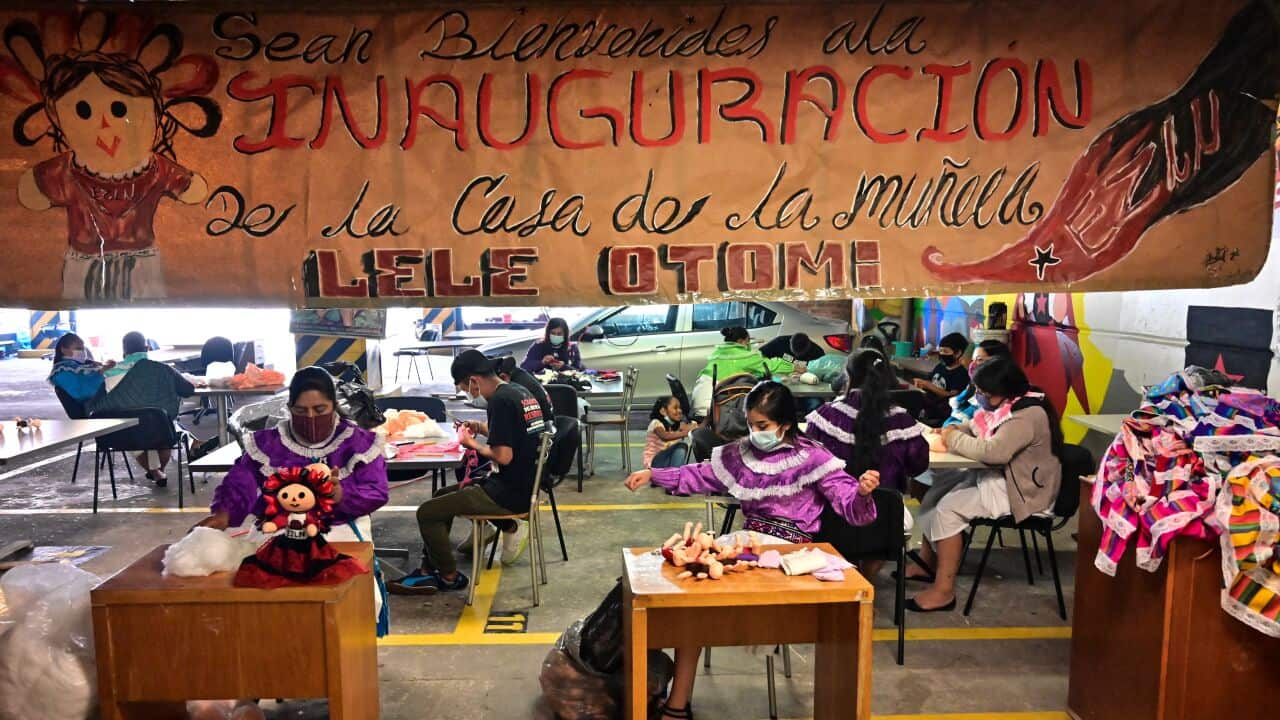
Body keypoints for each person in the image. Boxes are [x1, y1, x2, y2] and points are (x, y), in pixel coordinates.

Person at [624, 381, 879, 720]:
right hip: (746, 543)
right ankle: (676, 702)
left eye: (762, 426)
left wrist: (862, 493)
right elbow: (700, 474)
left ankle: (677, 701)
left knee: (703, 594)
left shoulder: (814, 457)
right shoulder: (741, 453)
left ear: (784, 424)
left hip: (791, 554)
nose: (755, 433)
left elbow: (851, 506)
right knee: (690, 601)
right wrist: (654, 474)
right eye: (750, 425)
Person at [905, 357, 1063, 612]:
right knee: (936, 491)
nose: (978, 396)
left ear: (1003, 391)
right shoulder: (1002, 406)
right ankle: (928, 562)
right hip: (1000, 477)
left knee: (948, 509)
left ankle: (944, 591)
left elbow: (993, 453)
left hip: (1021, 491)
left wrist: (952, 437)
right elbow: (973, 425)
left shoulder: (1026, 415)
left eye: (983, 392)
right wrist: (951, 430)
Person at [390, 350, 548, 595]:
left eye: (466, 388)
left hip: (507, 492)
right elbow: (512, 435)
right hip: (523, 484)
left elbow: (503, 456)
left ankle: (448, 576)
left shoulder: (499, 400)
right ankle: (428, 568)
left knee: (427, 512)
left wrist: (470, 443)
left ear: (474, 380)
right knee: (440, 496)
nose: (469, 394)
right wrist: (479, 428)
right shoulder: (518, 391)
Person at [805, 349, 929, 496]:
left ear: (848, 376)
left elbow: (807, 465)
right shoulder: (903, 421)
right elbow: (917, 466)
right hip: (888, 508)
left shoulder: (826, 417)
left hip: (834, 506)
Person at [90, 330, 195, 485]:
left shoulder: (108, 374)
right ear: (146, 348)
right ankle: (158, 471)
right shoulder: (162, 369)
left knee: (133, 426)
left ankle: (156, 472)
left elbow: (96, 405)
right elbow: (187, 390)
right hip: (160, 431)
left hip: (120, 434)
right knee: (162, 427)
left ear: (124, 351)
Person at [690, 326, 796, 417]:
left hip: (698, 402)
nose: (749, 344)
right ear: (741, 341)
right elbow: (771, 366)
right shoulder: (743, 355)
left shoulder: (719, 353)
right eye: (748, 341)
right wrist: (794, 367)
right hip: (714, 408)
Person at [944, 340, 1012, 427]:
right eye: (973, 360)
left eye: (979, 360)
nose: (973, 365)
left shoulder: (1001, 393)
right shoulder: (973, 386)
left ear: (997, 361)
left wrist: (953, 427)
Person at [915, 332, 970, 424]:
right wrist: (922, 385)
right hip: (930, 409)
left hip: (943, 414)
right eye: (940, 351)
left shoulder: (961, 373)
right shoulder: (940, 367)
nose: (942, 354)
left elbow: (951, 395)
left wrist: (928, 385)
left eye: (945, 351)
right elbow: (929, 382)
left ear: (958, 353)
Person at [47, 333, 111, 410]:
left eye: (83, 348)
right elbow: (82, 394)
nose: (83, 352)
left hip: (101, 402)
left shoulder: (82, 366)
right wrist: (100, 373)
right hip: (93, 408)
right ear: (64, 350)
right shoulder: (61, 372)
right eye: (78, 349)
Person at [644, 396, 695, 469]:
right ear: (663, 411)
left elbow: (696, 428)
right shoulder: (656, 423)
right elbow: (665, 436)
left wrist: (707, 419)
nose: (680, 410)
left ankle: (674, 472)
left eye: (680, 408)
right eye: (675, 408)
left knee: (682, 446)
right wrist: (688, 432)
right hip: (654, 464)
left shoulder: (675, 424)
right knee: (681, 446)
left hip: (665, 461)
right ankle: (675, 473)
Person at [759, 332, 825, 365]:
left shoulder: (818, 353)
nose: (796, 356)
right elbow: (760, 354)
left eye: (800, 354)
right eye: (794, 352)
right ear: (790, 341)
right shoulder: (779, 342)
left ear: (809, 345)